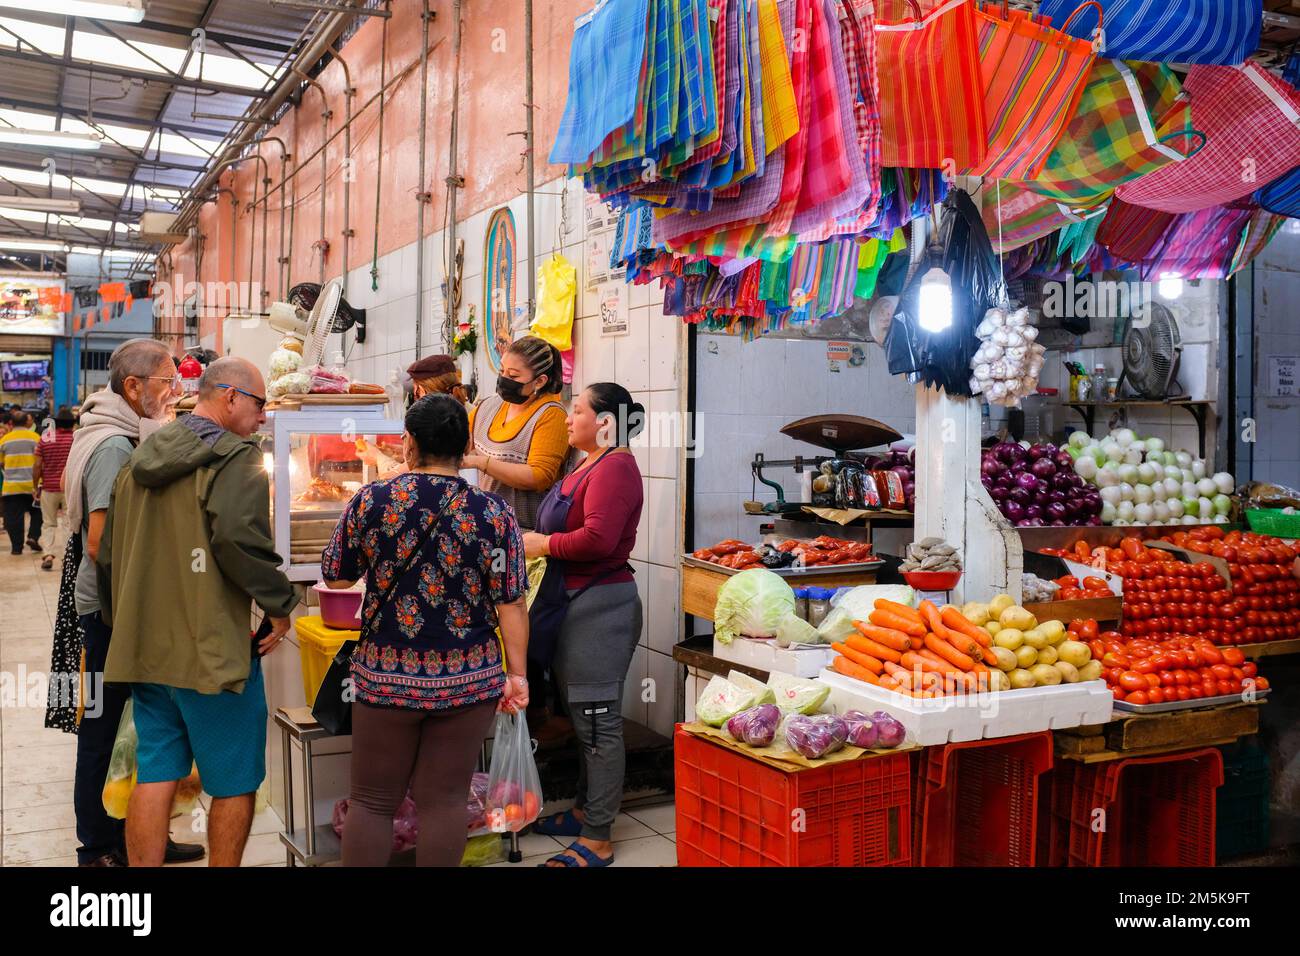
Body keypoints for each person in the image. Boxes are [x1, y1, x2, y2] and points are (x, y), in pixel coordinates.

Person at [99, 356, 296, 867]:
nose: (262, 417)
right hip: (211, 654)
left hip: (145, 648)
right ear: (229, 397)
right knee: (233, 779)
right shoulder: (236, 458)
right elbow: (237, 540)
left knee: (157, 771)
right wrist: (279, 605)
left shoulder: (138, 459)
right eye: (259, 405)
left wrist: (122, 625)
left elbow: (108, 554)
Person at [321, 393, 530, 866]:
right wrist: (517, 676)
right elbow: (511, 601)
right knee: (445, 801)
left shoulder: (372, 499)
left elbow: (336, 576)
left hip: (386, 674)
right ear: (466, 445)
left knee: (374, 801)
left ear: (409, 443)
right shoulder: (494, 512)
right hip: (469, 677)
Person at [61, 338, 203, 867]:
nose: (175, 393)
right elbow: (101, 542)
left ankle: (140, 837)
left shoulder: (118, 431)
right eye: (168, 383)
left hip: (120, 610)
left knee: (139, 729)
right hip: (110, 614)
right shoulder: (116, 446)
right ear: (134, 387)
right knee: (102, 729)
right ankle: (98, 846)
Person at [523, 383, 645, 868]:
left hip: (602, 606)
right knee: (581, 718)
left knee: (598, 721)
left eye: (577, 411)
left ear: (606, 421)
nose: (568, 419)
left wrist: (541, 545)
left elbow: (597, 539)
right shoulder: (587, 462)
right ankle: (582, 810)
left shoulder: (616, 466)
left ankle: (598, 838)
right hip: (572, 602)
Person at [463, 336, 569, 531]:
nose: (504, 379)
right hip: (488, 525)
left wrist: (482, 462)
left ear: (539, 381)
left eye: (513, 376)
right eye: (502, 371)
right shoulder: (487, 407)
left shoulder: (551, 415)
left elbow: (539, 476)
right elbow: (458, 444)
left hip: (525, 533)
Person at [32, 405, 77, 571]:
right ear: (72, 423)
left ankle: (48, 554)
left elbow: (37, 465)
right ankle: (67, 557)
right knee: (68, 522)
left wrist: (35, 485)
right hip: (69, 488)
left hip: (49, 487)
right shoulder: (76, 439)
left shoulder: (45, 439)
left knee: (48, 523)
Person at [1, 409, 42, 555]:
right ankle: (32, 537)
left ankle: (16, 548)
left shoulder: (5, 439)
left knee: (13, 517)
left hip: (11, 487)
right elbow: (40, 461)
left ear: (11, 423)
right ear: (27, 422)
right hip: (32, 486)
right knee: (37, 512)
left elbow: (1, 462)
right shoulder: (35, 437)